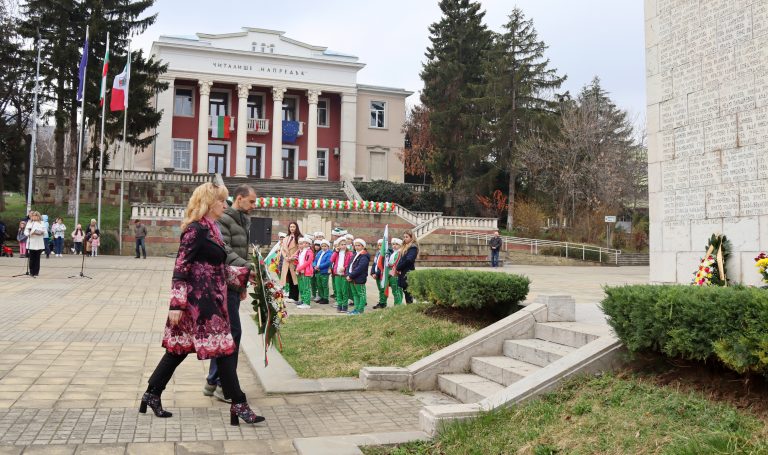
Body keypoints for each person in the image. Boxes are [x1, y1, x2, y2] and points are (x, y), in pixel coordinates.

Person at [142, 182, 264, 426]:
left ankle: (152, 394)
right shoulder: (196, 230)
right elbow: (181, 267)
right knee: (225, 349)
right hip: (198, 303)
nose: (224, 204)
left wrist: (243, 275)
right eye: (220, 200)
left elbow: (216, 268)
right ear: (209, 203)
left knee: (178, 351)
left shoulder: (212, 229)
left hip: (211, 299)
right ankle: (238, 403)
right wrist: (176, 304)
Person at [203, 184, 257, 402]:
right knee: (232, 335)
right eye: (251, 201)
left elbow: (241, 249)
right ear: (240, 198)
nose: (254, 206)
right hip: (221, 285)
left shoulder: (243, 221)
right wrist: (248, 267)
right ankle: (223, 385)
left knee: (227, 334)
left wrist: (242, 285)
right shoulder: (224, 220)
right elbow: (225, 252)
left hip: (233, 285)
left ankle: (213, 381)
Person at [279, 221, 302, 303]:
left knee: (294, 279)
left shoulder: (299, 237)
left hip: (294, 260)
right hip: (287, 261)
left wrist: (292, 257)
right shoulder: (286, 237)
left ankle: (295, 297)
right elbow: (283, 249)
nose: (292, 228)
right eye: (291, 227)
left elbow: (299, 249)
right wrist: (286, 257)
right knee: (289, 278)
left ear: (296, 228)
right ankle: (290, 295)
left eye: (294, 227)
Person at [346, 239, 370, 315]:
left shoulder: (364, 256)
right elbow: (349, 265)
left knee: (361, 294)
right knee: (355, 294)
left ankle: (360, 310)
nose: (356, 247)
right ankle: (356, 309)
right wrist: (348, 274)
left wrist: (351, 275)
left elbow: (360, 268)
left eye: (358, 245)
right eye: (355, 245)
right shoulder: (354, 254)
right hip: (352, 278)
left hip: (359, 278)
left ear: (363, 246)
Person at [396, 230, 419, 304]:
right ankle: (409, 305)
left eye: (407, 237)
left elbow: (409, 260)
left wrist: (399, 267)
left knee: (408, 291)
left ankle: (410, 306)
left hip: (408, 272)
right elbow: (402, 259)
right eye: (404, 237)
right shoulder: (405, 247)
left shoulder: (413, 248)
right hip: (403, 272)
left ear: (412, 238)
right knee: (406, 291)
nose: (405, 238)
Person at [330, 238, 352, 313]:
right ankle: (339, 305)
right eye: (341, 244)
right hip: (337, 274)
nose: (343, 246)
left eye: (344, 244)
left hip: (344, 275)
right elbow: (331, 260)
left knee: (344, 291)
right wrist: (336, 251)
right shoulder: (337, 253)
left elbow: (350, 263)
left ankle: (345, 305)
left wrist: (345, 268)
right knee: (338, 290)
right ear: (338, 245)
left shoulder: (349, 253)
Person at [23, 212, 46, 277]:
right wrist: (29, 234)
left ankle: (36, 272)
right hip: (32, 242)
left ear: (39, 217)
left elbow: (45, 232)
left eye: (36, 216)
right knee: (32, 258)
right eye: (33, 216)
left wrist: (41, 232)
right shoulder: (29, 222)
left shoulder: (42, 223)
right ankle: (31, 271)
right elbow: (25, 231)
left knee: (37, 258)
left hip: (38, 242)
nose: (34, 217)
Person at [371, 239, 391, 309]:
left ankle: (383, 303)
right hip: (376, 274)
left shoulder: (386, 254)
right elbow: (374, 263)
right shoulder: (378, 253)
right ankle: (381, 301)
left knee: (383, 289)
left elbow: (382, 266)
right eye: (379, 245)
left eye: (381, 245)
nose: (380, 246)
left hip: (382, 274)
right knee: (380, 289)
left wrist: (377, 273)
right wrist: (372, 272)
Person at [295, 237, 315, 309]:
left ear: (309, 244)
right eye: (304, 243)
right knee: (301, 287)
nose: (305, 244)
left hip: (306, 271)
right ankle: (303, 300)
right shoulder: (301, 252)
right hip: (300, 271)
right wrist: (297, 268)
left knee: (306, 287)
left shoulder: (309, 252)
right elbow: (299, 261)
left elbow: (308, 262)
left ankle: (307, 303)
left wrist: (299, 268)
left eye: (307, 243)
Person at [313, 240, 332, 305]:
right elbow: (315, 260)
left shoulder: (329, 253)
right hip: (318, 271)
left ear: (328, 246)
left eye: (325, 246)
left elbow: (328, 262)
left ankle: (325, 298)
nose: (324, 247)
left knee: (324, 285)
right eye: (322, 246)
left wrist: (319, 266)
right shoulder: (319, 252)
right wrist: (315, 265)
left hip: (324, 272)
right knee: (319, 285)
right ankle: (321, 296)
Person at [387, 238, 404, 306]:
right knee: (396, 290)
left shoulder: (399, 253)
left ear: (400, 245)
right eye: (393, 244)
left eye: (397, 244)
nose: (394, 246)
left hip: (395, 274)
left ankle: (398, 304)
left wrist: (390, 273)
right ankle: (398, 303)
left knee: (396, 290)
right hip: (392, 273)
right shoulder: (394, 253)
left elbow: (395, 264)